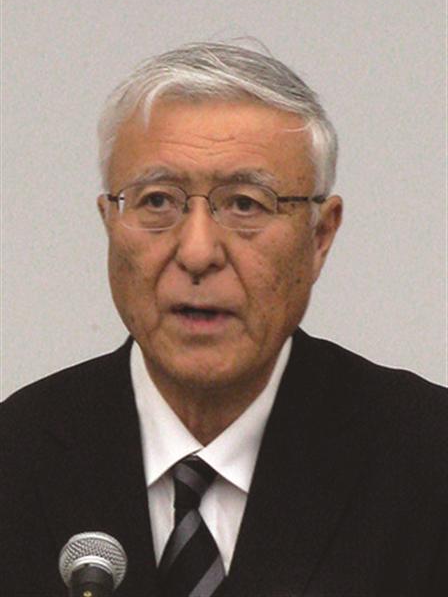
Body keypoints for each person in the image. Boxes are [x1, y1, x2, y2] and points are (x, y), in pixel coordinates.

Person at [1, 42, 447, 597]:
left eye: (245, 204)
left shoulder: (427, 461)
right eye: (157, 201)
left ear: (320, 236)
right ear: (110, 222)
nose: (197, 252)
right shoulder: (15, 460)